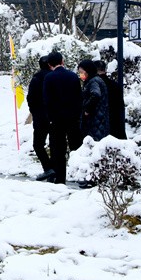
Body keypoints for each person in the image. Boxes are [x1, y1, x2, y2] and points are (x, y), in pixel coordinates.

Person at [42, 51, 82, 184]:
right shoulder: (73, 76)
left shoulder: (49, 78)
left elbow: (47, 101)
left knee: (58, 150)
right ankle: (81, 176)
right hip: (73, 118)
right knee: (76, 147)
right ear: (62, 61)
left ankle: (60, 179)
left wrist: (50, 117)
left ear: (49, 64)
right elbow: (78, 97)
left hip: (57, 119)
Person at [27, 56, 54, 181]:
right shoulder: (55, 76)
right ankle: (55, 169)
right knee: (56, 144)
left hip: (40, 116)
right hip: (54, 115)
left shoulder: (36, 78)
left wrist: (34, 111)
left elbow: (30, 98)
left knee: (38, 144)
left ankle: (48, 168)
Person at [78, 59, 110, 142]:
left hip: (95, 121)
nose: (81, 75)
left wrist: (87, 109)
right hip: (99, 119)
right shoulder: (95, 80)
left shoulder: (93, 81)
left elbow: (95, 94)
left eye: (82, 72)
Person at [94, 60, 126, 139]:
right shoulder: (115, 85)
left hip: (100, 127)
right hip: (115, 125)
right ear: (105, 70)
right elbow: (121, 106)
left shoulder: (94, 86)